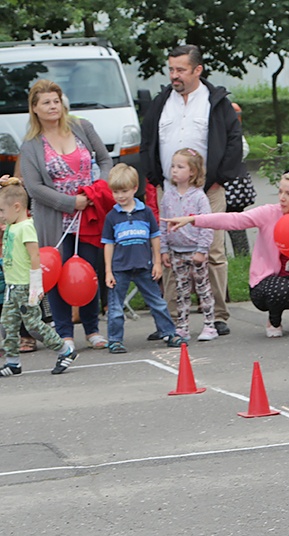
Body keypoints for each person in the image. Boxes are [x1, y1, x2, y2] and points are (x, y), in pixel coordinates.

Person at [141, 44, 243, 338]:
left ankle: (218, 316)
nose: (175, 75)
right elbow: (147, 141)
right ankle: (172, 318)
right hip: (170, 192)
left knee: (212, 251)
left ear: (198, 70)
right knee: (170, 254)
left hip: (207, 191)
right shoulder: (162, 102)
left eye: (181, 70)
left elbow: (234, 141)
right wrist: (156, 178)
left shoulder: (215, 101)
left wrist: (218, 178)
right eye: (171, 69)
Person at [165, 170, 289, 338]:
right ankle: (274, 320)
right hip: (270, 282)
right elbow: (234, 219)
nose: (282, 197)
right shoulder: (269, 213)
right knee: (283, 290)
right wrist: (194, 220)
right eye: (280, 191)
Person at [18, 79, 112, 352]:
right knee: (57, 275)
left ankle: (93, 329)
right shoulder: (30, 145)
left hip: (90, 216)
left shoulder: (82, 127)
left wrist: (99, 188)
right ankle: (64, 333)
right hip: (54, 220)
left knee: (87, 270)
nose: (52, 107)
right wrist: (71, 202)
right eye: (46, 102)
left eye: (56, 101)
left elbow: (106, 161)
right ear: (34, 108)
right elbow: (34, 188)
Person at [102, 165, 186, 353]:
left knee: (157, 301)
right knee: (115, 307)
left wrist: (157, 262)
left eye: (124, 191)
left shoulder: (146, 212)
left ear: (134, 188)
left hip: (144, 265)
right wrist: (108, 270)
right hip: (120, 268)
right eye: (116, 192)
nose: (120, 196)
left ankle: (169, 332)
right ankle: (115, 340)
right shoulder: (112, 217)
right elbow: (108, 244)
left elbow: (154, 238)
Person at [0, 181, 78, 376]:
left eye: (2, 210)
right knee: (8, 324)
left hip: (25, 286)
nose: (0, 215)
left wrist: (36, 285)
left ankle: (65, 350)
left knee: (34, 324)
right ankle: (12, 362)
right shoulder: (10, 226)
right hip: (12, 286)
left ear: (17, 207)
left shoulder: (26, 227)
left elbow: (35, 256)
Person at [159, 148, 217, 342]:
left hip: (195, 251)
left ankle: (210, 325)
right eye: (173, 166)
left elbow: (207, 224)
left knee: (203, 288)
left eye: (180, 166)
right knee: (181, 290)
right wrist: (164, 249)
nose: (174, 170)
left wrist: (202, 250)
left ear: (192, 171)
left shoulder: (199, 197)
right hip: (176, 251)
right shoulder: (168, 196)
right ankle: (182, 326)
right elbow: (163, 223)